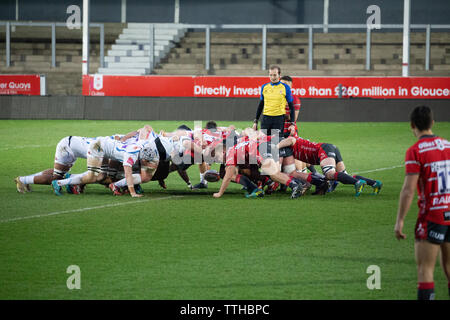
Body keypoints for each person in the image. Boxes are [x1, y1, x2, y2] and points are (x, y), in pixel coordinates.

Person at [394, 105, 450, 300]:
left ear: (412, 126)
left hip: (432, 215)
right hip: (449, 210)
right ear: (433, 123)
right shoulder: (448, 145)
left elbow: (409, 190)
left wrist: (400, 220)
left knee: (425, 270)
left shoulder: (416, 151)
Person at [277, 135, 382, 196]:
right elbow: (308, 164)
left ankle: (358, 182)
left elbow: (290, 140)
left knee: (329, 174)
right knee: (343, 175)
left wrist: (275, 147)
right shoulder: (292, 151)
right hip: (330, 147)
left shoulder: (288, 141)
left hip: (323, 149)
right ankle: (374, 183)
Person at [252, 65, 296, 141]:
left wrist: (292, 124)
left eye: (275, 75)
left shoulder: (285, 88)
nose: (273, 77)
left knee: (275, 143)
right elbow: (261, 105)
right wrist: (256, 121)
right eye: (271, 75)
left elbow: (291, 107)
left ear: (279, 75)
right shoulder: (264, 87)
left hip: (278, 119)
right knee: (263, 143)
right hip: (265, 119)